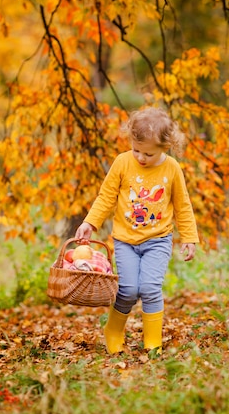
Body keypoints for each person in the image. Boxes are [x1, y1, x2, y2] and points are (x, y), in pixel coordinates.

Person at [75, 106, 199, 354]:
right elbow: (106, 197)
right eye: (136, 150)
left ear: (165, 147)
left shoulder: (172, 168)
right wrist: (90, 222)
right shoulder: (122, 162)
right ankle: (113, 329)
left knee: (151, 288)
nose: (141, 158)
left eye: (148, 153)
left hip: (158, 240)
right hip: (125, 241)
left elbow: (182, 205)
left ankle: (153, 342)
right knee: (129, 290)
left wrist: (189, 237)